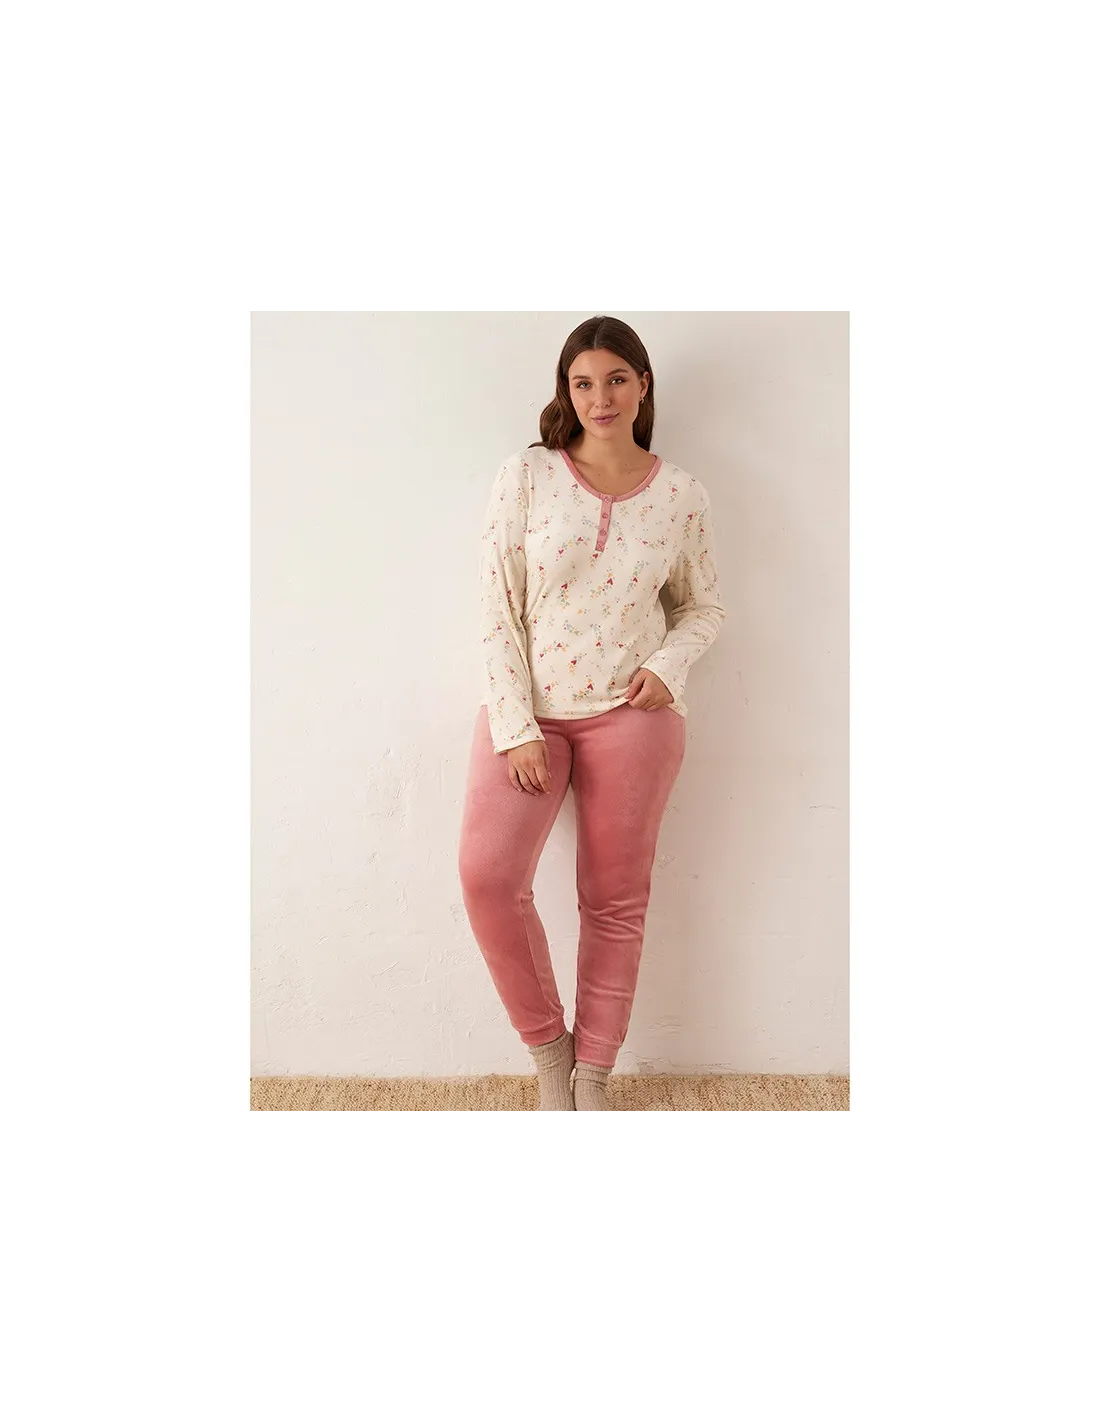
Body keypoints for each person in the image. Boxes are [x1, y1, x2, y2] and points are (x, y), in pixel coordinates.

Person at [458, 315, 727, 1111]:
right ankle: (551, 1055)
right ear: (565, 391)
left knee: (614, 902)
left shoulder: (681, 494)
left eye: (615, 380)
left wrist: (666, 668)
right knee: (487, 878)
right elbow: (496, 605)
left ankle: (593, 1076)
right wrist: (515, 727)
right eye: (583, 383)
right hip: (532, 714)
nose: (599, 398)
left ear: (643, 385)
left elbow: (704, 607)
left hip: (634, 718)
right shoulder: (527, 475)